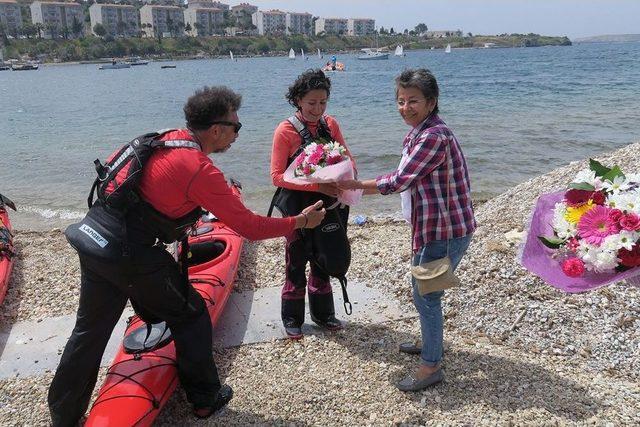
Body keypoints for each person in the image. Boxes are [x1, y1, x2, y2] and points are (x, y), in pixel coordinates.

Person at [48, 86, 326, 426]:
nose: (237, 135)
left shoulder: (164, 138)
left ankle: (63, 415)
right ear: (216, 129)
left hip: (95, 237)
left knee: (89, 331)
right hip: (129, 251)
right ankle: (206, 398)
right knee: (191, 313)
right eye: (235, 128)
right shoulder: (198, 167)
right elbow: (249, 227)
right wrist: (300, 221)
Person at [338, 69, 476, 391]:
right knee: (426, 293)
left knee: (426, 296)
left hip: (445, 230)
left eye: (413, 100)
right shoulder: (419, 132)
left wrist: (354, 186)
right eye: (400, 101)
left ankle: (431, 366)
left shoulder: (432, 137)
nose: (405, 107)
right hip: (431, 227)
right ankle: (432, 345)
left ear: (431, 101)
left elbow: (400, 180)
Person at [270, 69, 356, 339]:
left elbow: (347, 160)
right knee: (296, 259)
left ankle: (323, 314)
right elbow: (276, 177)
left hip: (328, 206)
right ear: (297, 100)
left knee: (324, 257)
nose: (317, 109)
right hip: (297, 208)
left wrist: (349, 180)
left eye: (323, 102)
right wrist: (318, 184)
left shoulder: (331, 125)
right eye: (311, 103)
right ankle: (292, 317)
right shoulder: (285, 131)